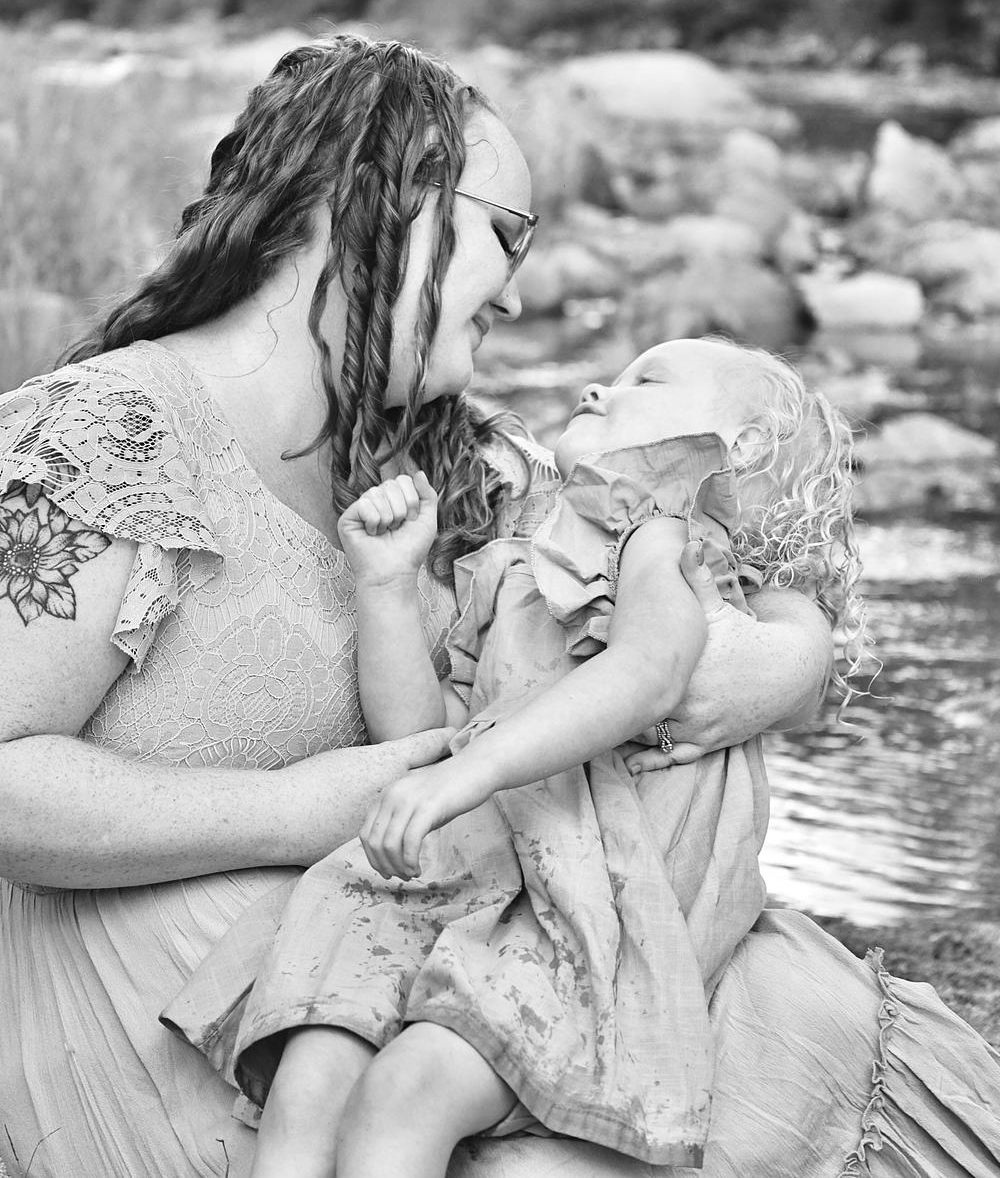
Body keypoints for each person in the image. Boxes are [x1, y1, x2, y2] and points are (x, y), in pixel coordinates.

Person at [0, 34, 833, 1178]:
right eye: (506, 234)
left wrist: (793, 658)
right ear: (378, 196)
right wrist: (288, 812)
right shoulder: (102, 437)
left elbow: (714, 547)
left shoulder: (457, 454)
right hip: (158, 1014)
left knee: (793, 1022)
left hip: (418, 973)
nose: (520, 291)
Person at [162, 336, 870, 1178]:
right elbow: (428, 729)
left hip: (590, 897)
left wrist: (463, 777)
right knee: (311, 1077)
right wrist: (387, 589)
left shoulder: (668, 540)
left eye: (648, 381)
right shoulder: (517, 569)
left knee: (409, 1093)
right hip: (474, 871)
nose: (600, 386)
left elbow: (647, 674)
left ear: (736, 448)